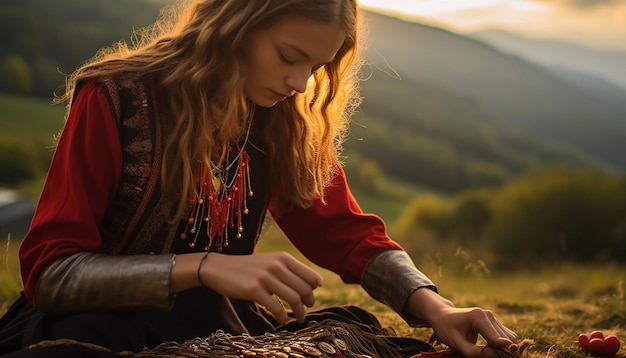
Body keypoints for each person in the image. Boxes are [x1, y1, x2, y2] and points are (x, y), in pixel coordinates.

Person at [0, 0, 517, 357]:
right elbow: (52, 274)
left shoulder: (277, 120)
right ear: (234, 23)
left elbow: (345, 233)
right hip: (99, 326)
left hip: (217, 331)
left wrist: (438, 309)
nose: (298, 84)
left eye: (315, 66)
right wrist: (203, 267)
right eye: (289, 57)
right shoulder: (114, 98)